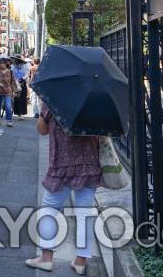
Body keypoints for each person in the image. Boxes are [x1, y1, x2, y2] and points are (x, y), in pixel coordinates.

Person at [26, 105, 101, 274]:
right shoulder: (95, 100)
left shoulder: (56, 95)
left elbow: (42, 130)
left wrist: (42, 116)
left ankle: (46, 258)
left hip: (62, 164)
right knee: (84, 213)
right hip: (89, 163)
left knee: (49, 210)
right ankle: (81, 261)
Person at [0, 57, 16, 127]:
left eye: (0, 63)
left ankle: (9, 120)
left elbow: (13, 82)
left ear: (5, 64)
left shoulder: (10, 72)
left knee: (8, 106)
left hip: (8, 91)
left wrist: (14, 91)